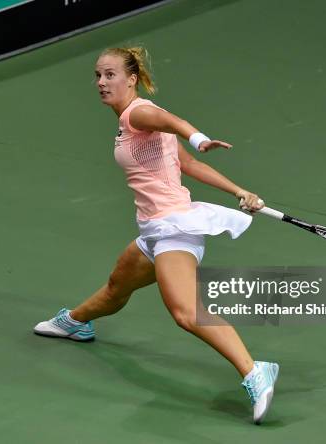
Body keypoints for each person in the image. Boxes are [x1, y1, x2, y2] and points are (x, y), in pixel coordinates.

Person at [33, 46, 279, 424]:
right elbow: (187, 164)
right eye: (98, 75)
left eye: (110, 75)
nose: (101, 82)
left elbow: (169, 120)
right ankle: (76, 322)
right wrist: (239, 191)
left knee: (185, 312)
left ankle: (253, 370)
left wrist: (198, 136)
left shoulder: (138, 114)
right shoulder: (132, 122)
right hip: (152, 229)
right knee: (117, 287)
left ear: (131, 79)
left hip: (174, 229)